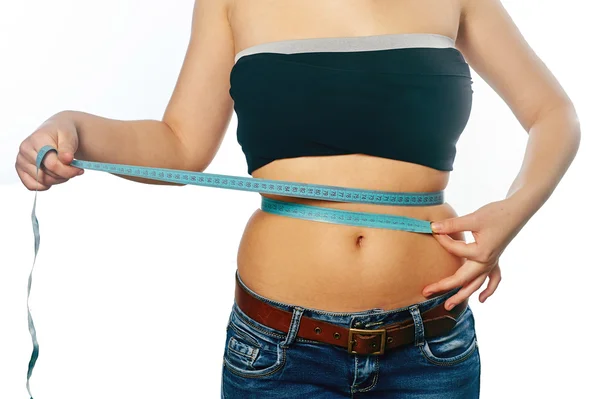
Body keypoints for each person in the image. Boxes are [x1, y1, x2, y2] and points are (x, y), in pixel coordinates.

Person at [15, 0, 580, 397]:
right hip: (280, 351)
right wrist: (73, 127)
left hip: (429, 350)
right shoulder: (231, 1)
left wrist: (515, 211)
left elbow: (552, 114)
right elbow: (180, 144)